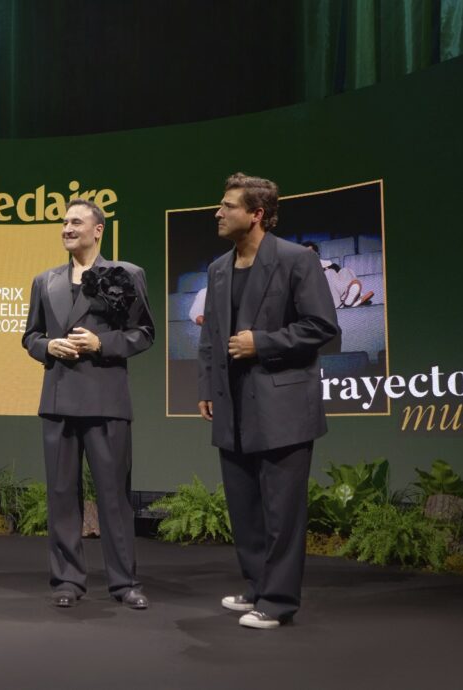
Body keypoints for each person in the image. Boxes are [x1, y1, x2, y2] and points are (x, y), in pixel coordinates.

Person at [197, 173, 338, 629]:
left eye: (227, 206)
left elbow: (322, 326)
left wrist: (263, 343)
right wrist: (205, 388)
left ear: (256, 214)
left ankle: (277, 603)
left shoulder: (297, 260)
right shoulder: (219, 268)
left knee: (282, 510)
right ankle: (256, 586)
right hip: (233, 405)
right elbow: (210, 337)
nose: (218, 213)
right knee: (246, 506)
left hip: (283, 406)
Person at [22, 199, 155, 609]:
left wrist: (103, 343)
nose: (66, 228)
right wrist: (49, 345)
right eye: (64, 222)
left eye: (75, 221)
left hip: (106, 399)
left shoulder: (127, 274)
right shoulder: (45, 281)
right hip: (60, 398)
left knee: (114, 495)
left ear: (99, 230)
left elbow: (145, 332)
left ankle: (124, 583)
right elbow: (30, 337)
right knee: (62, 494)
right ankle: (66, 581)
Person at [302, 241, 373, 308]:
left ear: (317, 254)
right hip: (321, 299)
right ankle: (352, 300)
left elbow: (340, 278)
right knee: (329, 273)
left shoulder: (330, 265)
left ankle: (348, 299)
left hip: (336, 293)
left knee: (345, 270)